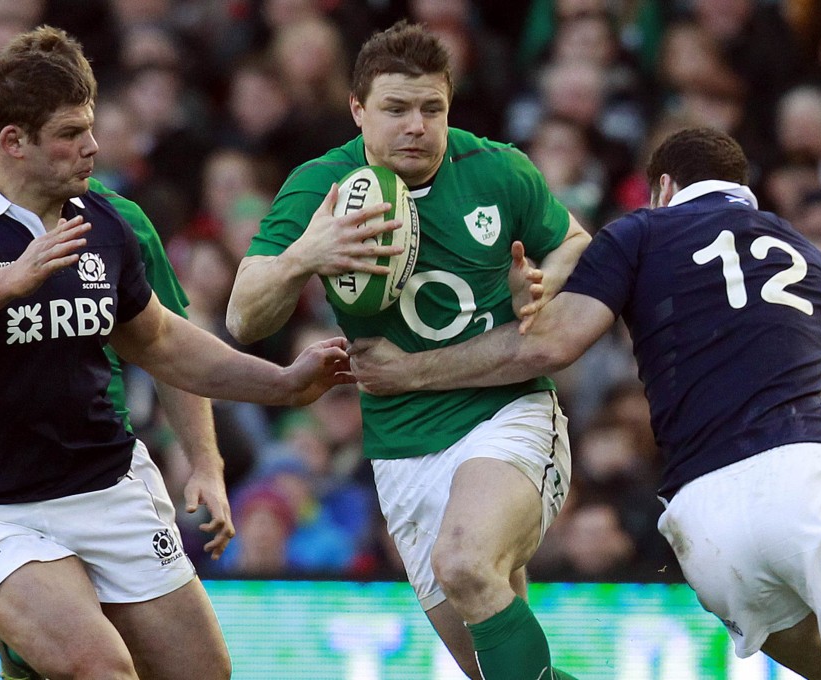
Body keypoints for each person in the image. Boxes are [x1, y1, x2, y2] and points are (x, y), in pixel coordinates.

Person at [349, 127, 821, 679]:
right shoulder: (809, 254)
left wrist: (411, 368)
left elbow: (552, 345)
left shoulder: (639, 233)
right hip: (804, 477)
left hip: (703, 520)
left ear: (663, 187)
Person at [0, 26, 352, 680]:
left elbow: (162, 341)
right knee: (100, 667)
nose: (92, 146)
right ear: (13, 143)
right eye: (70, 133)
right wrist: (9, 279)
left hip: (105, 485)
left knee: (204, 672)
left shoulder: (105, 221)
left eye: (90, 127)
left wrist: (282, 383)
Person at [226, 19, 589, 680]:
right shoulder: (323, 186)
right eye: (396, 109)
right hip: (401, 451)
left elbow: (575, 242)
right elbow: (244, 314)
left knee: (465, 564)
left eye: (432, 108)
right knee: (492, 670)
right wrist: (307, 255)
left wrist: (544, 282)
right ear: (359, 110)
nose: (417, 125)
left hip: (505, 418)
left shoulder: (497, 169)